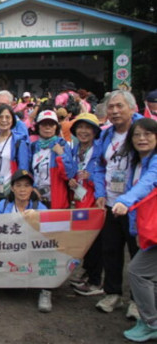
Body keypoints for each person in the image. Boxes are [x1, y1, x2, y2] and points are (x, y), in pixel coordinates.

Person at [93, 90, 143, 316]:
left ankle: (138, 300)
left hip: (137, 205)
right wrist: (100, 192)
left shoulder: (144, 131)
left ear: (132, 108)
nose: (114, 111)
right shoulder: (106, 135)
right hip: (110, 203)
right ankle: (112, 294)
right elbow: (98, 165)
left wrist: (131, 198)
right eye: (111, 107)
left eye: (119, 106)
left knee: (139, 254)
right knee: (110, 250)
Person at [111, 118, 157, 342]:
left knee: (138, 271)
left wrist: (125, 200)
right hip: (150, 229)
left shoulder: (155, 162)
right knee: (151, 276)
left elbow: (148, 183)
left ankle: (150, 323)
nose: (142, 139)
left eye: (148, 134)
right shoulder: (138, 161)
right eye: (137, 135)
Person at [0, 170, 49, 311]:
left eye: (27, 185)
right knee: (13, 292)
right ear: (12, 188)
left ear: (32, 188)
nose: (22, 189)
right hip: (9, 251)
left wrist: (34, 221)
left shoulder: (40, 208)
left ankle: (46, 291)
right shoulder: (3, 206)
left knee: (50, 254)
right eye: (18, 185)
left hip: (33, 251)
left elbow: (49, 235)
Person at [67, 113, 105, 296]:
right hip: (80, 200)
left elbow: (103, 173)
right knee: (85, 241)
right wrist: (72, 181)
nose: (83, 131)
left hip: (95, 201)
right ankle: (88, 274)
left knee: (96, 242)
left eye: (87, 128)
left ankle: (95, 282)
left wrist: (93, 182)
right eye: (80, 128)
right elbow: (74, 171)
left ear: (95, 131)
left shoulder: (100, 150)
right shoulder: (75, 149)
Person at [0, 105, 30, 210]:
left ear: (13, 120)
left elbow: (23, 168)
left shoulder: (19, 141)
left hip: (12, 190)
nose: (4, 120)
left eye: (7, 117)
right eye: (0, 117)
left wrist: (19, 188)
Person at [30, 110, 75, 209]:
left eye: (51, 124)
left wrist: (61, 154)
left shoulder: (62, 144)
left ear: (56, 127)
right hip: (37, 200)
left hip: (57, 201)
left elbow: (69, 174)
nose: (48, 127)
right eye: (44, 124)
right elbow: (30, 173)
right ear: (38, 127)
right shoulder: (33, 146)